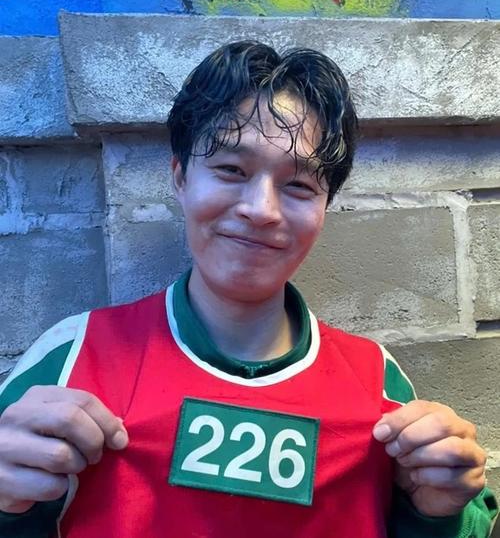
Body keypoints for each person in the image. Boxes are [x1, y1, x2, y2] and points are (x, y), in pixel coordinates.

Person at [0, 41, 497, 538]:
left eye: (299, 186)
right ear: (180, 177)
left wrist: (440, 516)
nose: (261, 210)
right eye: (231, 170)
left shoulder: (376, 380)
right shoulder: (73, 357)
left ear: (324, 208)